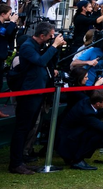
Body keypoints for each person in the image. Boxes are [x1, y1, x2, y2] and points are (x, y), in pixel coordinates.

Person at [9, 21, 65, 175]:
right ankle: (15, 163)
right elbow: (40, 61)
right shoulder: (27, 46)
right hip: (28, 93)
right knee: (22, 128)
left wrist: (56, 48)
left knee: (29, 127)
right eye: (50, 36)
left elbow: (49, 63)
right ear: (42, 35)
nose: (52, 38)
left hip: (38, 91)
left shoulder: (39, 46)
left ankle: (21, 159)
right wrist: (53, 46)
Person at [56, 90, 103, 170]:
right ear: (98, 103)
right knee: (100, 133)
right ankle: (77, 160)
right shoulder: (86, 112)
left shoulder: (87, 101)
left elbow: (95, 115)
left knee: (100, 134)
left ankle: (75, 158)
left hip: (71, 134)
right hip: (68, 141)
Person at [0, 4, 18, 116]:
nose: (11, 16)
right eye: (9, 13)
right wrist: (12, 22)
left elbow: (9, 36)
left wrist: (13, 25)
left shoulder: (3, 25)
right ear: (2, 14)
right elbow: (5, 33)